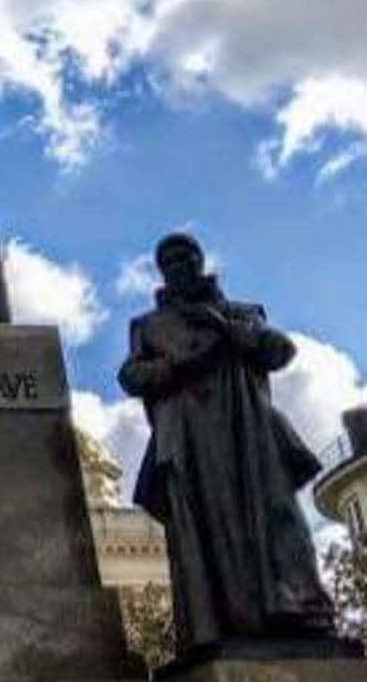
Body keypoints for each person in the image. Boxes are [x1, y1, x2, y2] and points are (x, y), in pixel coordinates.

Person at [118, 232, 335, 655]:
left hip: (248, 435)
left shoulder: (243, 313)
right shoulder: (148, 326)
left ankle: (293, 610)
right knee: (200, 530)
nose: (179, 264)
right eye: (169, 260)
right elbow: (131, 377)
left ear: (201, 260)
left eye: (186, 256)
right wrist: (177, 365)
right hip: (189, 440)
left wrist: (226, 329)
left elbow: (279, 351)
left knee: (277, 519)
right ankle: (213, 626)